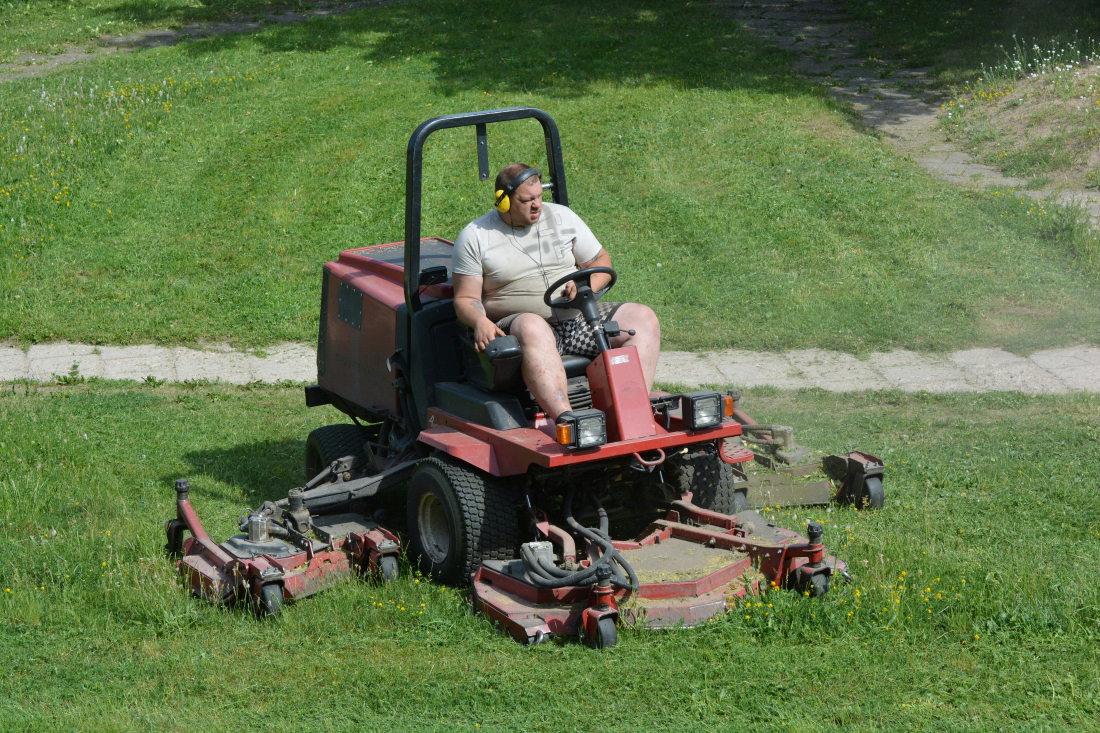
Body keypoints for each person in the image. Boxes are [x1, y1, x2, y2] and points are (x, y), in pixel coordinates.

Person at [451, 163, 660, 421]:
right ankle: (569, 422)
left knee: (643, 318)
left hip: (578, 319)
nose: (537, 205)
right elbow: (465, 298)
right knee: (531, 325)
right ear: (503, 202)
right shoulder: (476, 237)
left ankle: (632, 413)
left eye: (539, 196)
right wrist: (479, 320)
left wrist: (588, 284)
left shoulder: (563, 218)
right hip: (520, 327)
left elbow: (601, 262)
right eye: (527, 200)